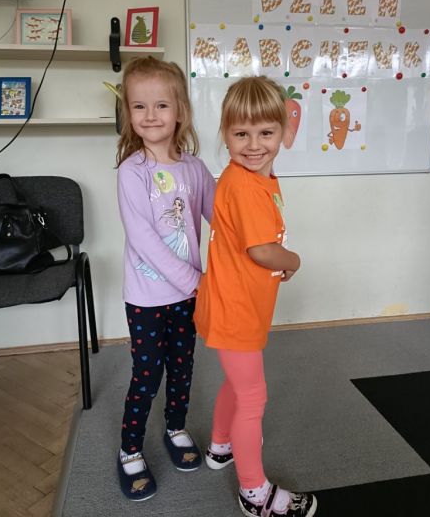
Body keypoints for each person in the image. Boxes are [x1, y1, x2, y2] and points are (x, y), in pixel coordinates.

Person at [194, 76, 317, 517]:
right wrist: (294, 260)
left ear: (284, 130)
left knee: (237, 383)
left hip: (237, 304)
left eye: (265, 132)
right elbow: (261, 250)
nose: (253, 145)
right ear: (225, 133)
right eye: (240, 134)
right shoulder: (246, 185)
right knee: (252, 398)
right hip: (236, 310)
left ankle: (221, 446)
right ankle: (254, 493)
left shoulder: (255, 178)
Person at [116, 56, 216, 501]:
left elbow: (225, 219)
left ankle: (175, 428)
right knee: (146, 375)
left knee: (182, 367)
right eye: (139, 106)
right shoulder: (131, 172)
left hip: (187, 296)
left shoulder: (194, 169)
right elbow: (144, 242)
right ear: (128, 113)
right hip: (146, 298)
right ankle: (130, 449)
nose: (150, 115)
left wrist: (260, 249)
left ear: (180, 111)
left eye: (161, 105)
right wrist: (196, 281)